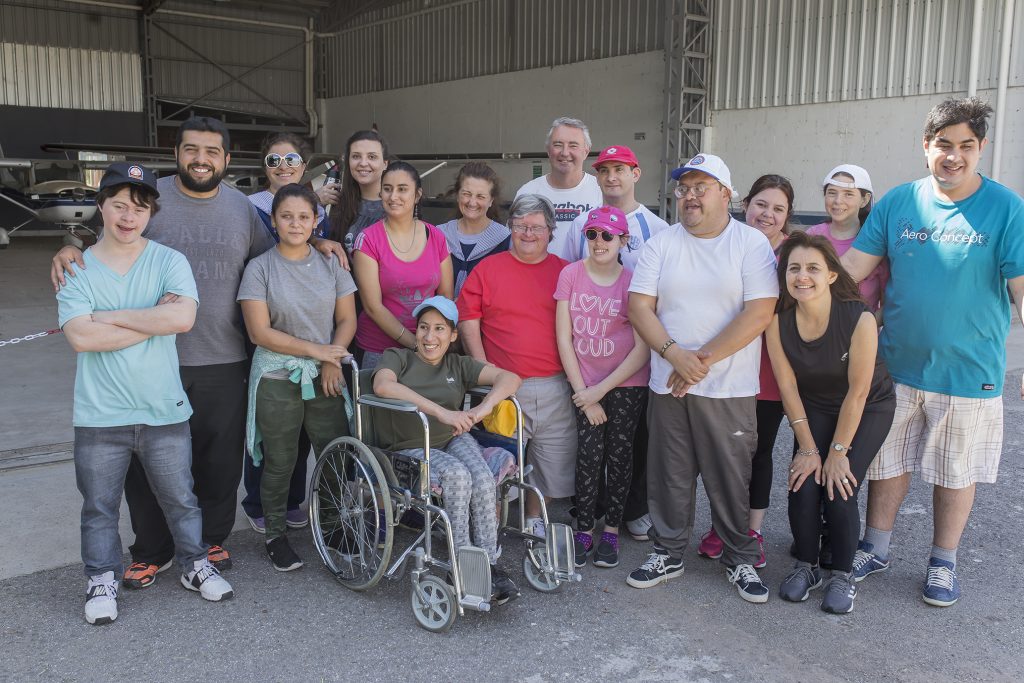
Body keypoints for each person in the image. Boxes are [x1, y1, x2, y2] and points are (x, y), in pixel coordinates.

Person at [50, 117, 347, 588]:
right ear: (178, 153)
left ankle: (207, 542)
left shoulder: (242, 210)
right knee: (145, 463)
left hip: (223, 355)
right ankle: (152, 549)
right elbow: (95, 231)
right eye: (192, 149)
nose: (201, 159)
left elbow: (281, 250)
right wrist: (66, 248)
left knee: (218, 460)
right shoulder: (149, 196)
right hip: (149, 358)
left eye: (212, 151)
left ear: (227, 160)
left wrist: (322, 241)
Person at [841, 97, 1024, 607]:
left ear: (981, 148)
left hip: (970, 373)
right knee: (886, 463)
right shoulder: (899, 203)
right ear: (926, 146)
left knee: (955, 470)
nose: (954, 156)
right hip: (895, 366)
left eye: (966, 146)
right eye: (944, 144)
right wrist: (796, 289)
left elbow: (1022, 289)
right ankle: (874, 548)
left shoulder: (1006, 208)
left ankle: (943, 562)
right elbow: (853, 269)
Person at [57, 162, 232, 625]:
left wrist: (108, 317)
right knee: (99, 507)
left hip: (163, 408)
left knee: (181, 497)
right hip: (99, 414)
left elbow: (181, 320)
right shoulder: (78, 267)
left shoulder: (169, 261)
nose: (128, 216)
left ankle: (195, 565)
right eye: (118, 205)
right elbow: (80, 337)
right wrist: (148, 317)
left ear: (151, 213)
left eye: (138, 207)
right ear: (101, 207)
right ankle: (101, 578)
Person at [625, 153, 778, 603]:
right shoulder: (662, 244)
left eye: (701, 187)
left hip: (726, 387)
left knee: (730, 476)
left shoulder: (750, 244)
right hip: (668, 383)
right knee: (668, 473)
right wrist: (675, 355)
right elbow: (639, 307)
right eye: (684, 188)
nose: (689, 196)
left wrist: (699, 362)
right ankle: (668, 550)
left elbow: (760, 312)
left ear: (725, 195)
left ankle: (741, 557)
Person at [766, 232, 896, 614]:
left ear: (832, 275)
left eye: (812, 269)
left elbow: (858, 392)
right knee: (803, 482)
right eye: (794, 268)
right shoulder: (778, 319)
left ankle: (843, 574)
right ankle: (806, 566)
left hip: (868, 405)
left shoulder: (859, 317)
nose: (802, 276)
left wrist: (838, 453)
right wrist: (808, 448)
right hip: (816, 406)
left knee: (840, 486)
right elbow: (787, 385)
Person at [238, 183, 358, 571]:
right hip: (276, 372)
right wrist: (317, 352)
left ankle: (331, 524)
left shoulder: (331, 263)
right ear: (273, 221)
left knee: (334, 454)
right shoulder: (260, 268)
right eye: (286, 216)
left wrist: (332, 360)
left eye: (303, 216)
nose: (294, 223)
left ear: (316, 221)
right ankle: (275, 533)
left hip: (325, 369)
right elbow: (260, 333)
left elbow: (346, 319)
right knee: (280, 460)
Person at [372, 296, 523, 603]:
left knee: (481, 478)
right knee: (457, 476)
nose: (430, 337)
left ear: (453, 334)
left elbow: (511, 378)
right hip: (410, 446)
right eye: (424, 328)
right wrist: (441, 412)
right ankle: (461, 566)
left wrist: (481, 410)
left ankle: (489, 564)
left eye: (440, 329)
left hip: (451, 437)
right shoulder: (398, 357)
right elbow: (382, 386)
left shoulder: (457, 363)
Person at [559, 145, 670, 542]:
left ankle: (631, 512)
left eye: (619, 169)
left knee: (630, 445)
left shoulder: (657, 228)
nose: (611, 177)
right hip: (591, 357)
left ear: (636, 174)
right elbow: (573, 281)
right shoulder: (581, 226)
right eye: (604, 170)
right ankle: (590, 514)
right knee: (591, 448)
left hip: (636, 354)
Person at [458, 194, 576, 537]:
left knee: (551, 463)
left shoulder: (564, 272)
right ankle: (490, 524)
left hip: (555, 384)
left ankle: (534, 519)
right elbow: (468, 320)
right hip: (504, 390)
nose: (528, 233)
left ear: (551, 232)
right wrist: (483, 372)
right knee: (499, 463)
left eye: (536, 227)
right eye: (521, 226)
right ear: (510, 227)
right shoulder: (488, 269)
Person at [698, 174, 796, 568]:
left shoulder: (792, 253)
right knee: (723, 452)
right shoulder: (726, 241)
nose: (767, 214)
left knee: (758, 451)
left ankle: (751, 528)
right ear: (744, 204)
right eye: (761, 204)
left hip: (769, 371)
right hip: (723, 366)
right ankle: (723, 524)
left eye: (778, 209)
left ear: (787, 217)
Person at [555, 206, 649, 569]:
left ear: (623, 240)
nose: (599, 242)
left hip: (624, 383)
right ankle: (584, 529)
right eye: (592, 234)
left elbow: (642, 349)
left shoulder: (633, 281)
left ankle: (611, 529)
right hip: (584, 382)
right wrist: (584, 392)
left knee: (620, 456)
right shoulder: (571, 275)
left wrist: (599, 392)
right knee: (589, 455)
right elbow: (564, 338)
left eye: (608, 235)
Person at [352, 161, 454, 369]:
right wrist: (416, 345)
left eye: (402, 189)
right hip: (380, 352)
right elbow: (373, 307)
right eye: (387, 189)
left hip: (430, 348)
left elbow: (445, 298)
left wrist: (431, 342)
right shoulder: (368, 240)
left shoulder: (435, 236)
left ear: (417, 195)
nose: (393, 196)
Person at [514, 116, 602, 257]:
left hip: (585, 278)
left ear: (586, 151)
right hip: (538, 277)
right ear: (548, 150)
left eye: (573, 145)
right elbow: (515, 244)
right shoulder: (528, 192)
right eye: (558, 144)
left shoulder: (601, 191)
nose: (565, 152)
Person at [808, 164, 887, 313]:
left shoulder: (877, 242)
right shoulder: (811, 236)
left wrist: (865, 328)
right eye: (832, 193)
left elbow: (886, 304)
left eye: (848, 194)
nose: (838, 200)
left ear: (865, 200)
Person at [436, 162, 511, 296]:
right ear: (458, 195)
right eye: (466, 194)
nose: (472, 202)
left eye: (480, 196)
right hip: (440, 315)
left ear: (491, 200)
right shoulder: (438, 235)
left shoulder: (505, 240)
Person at [248, 132, 334, 240]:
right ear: (265, 169)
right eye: (273, 160)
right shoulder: (249, 208)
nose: (283, 167)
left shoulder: (318, 211)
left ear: (303, 167)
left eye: (292, 159)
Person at [328, 129, 389, 253]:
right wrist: (314, 201)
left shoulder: (397, 205)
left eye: (372, 157)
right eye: (356, 156)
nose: (363, 163)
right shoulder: (336, 202)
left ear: (385, 164)